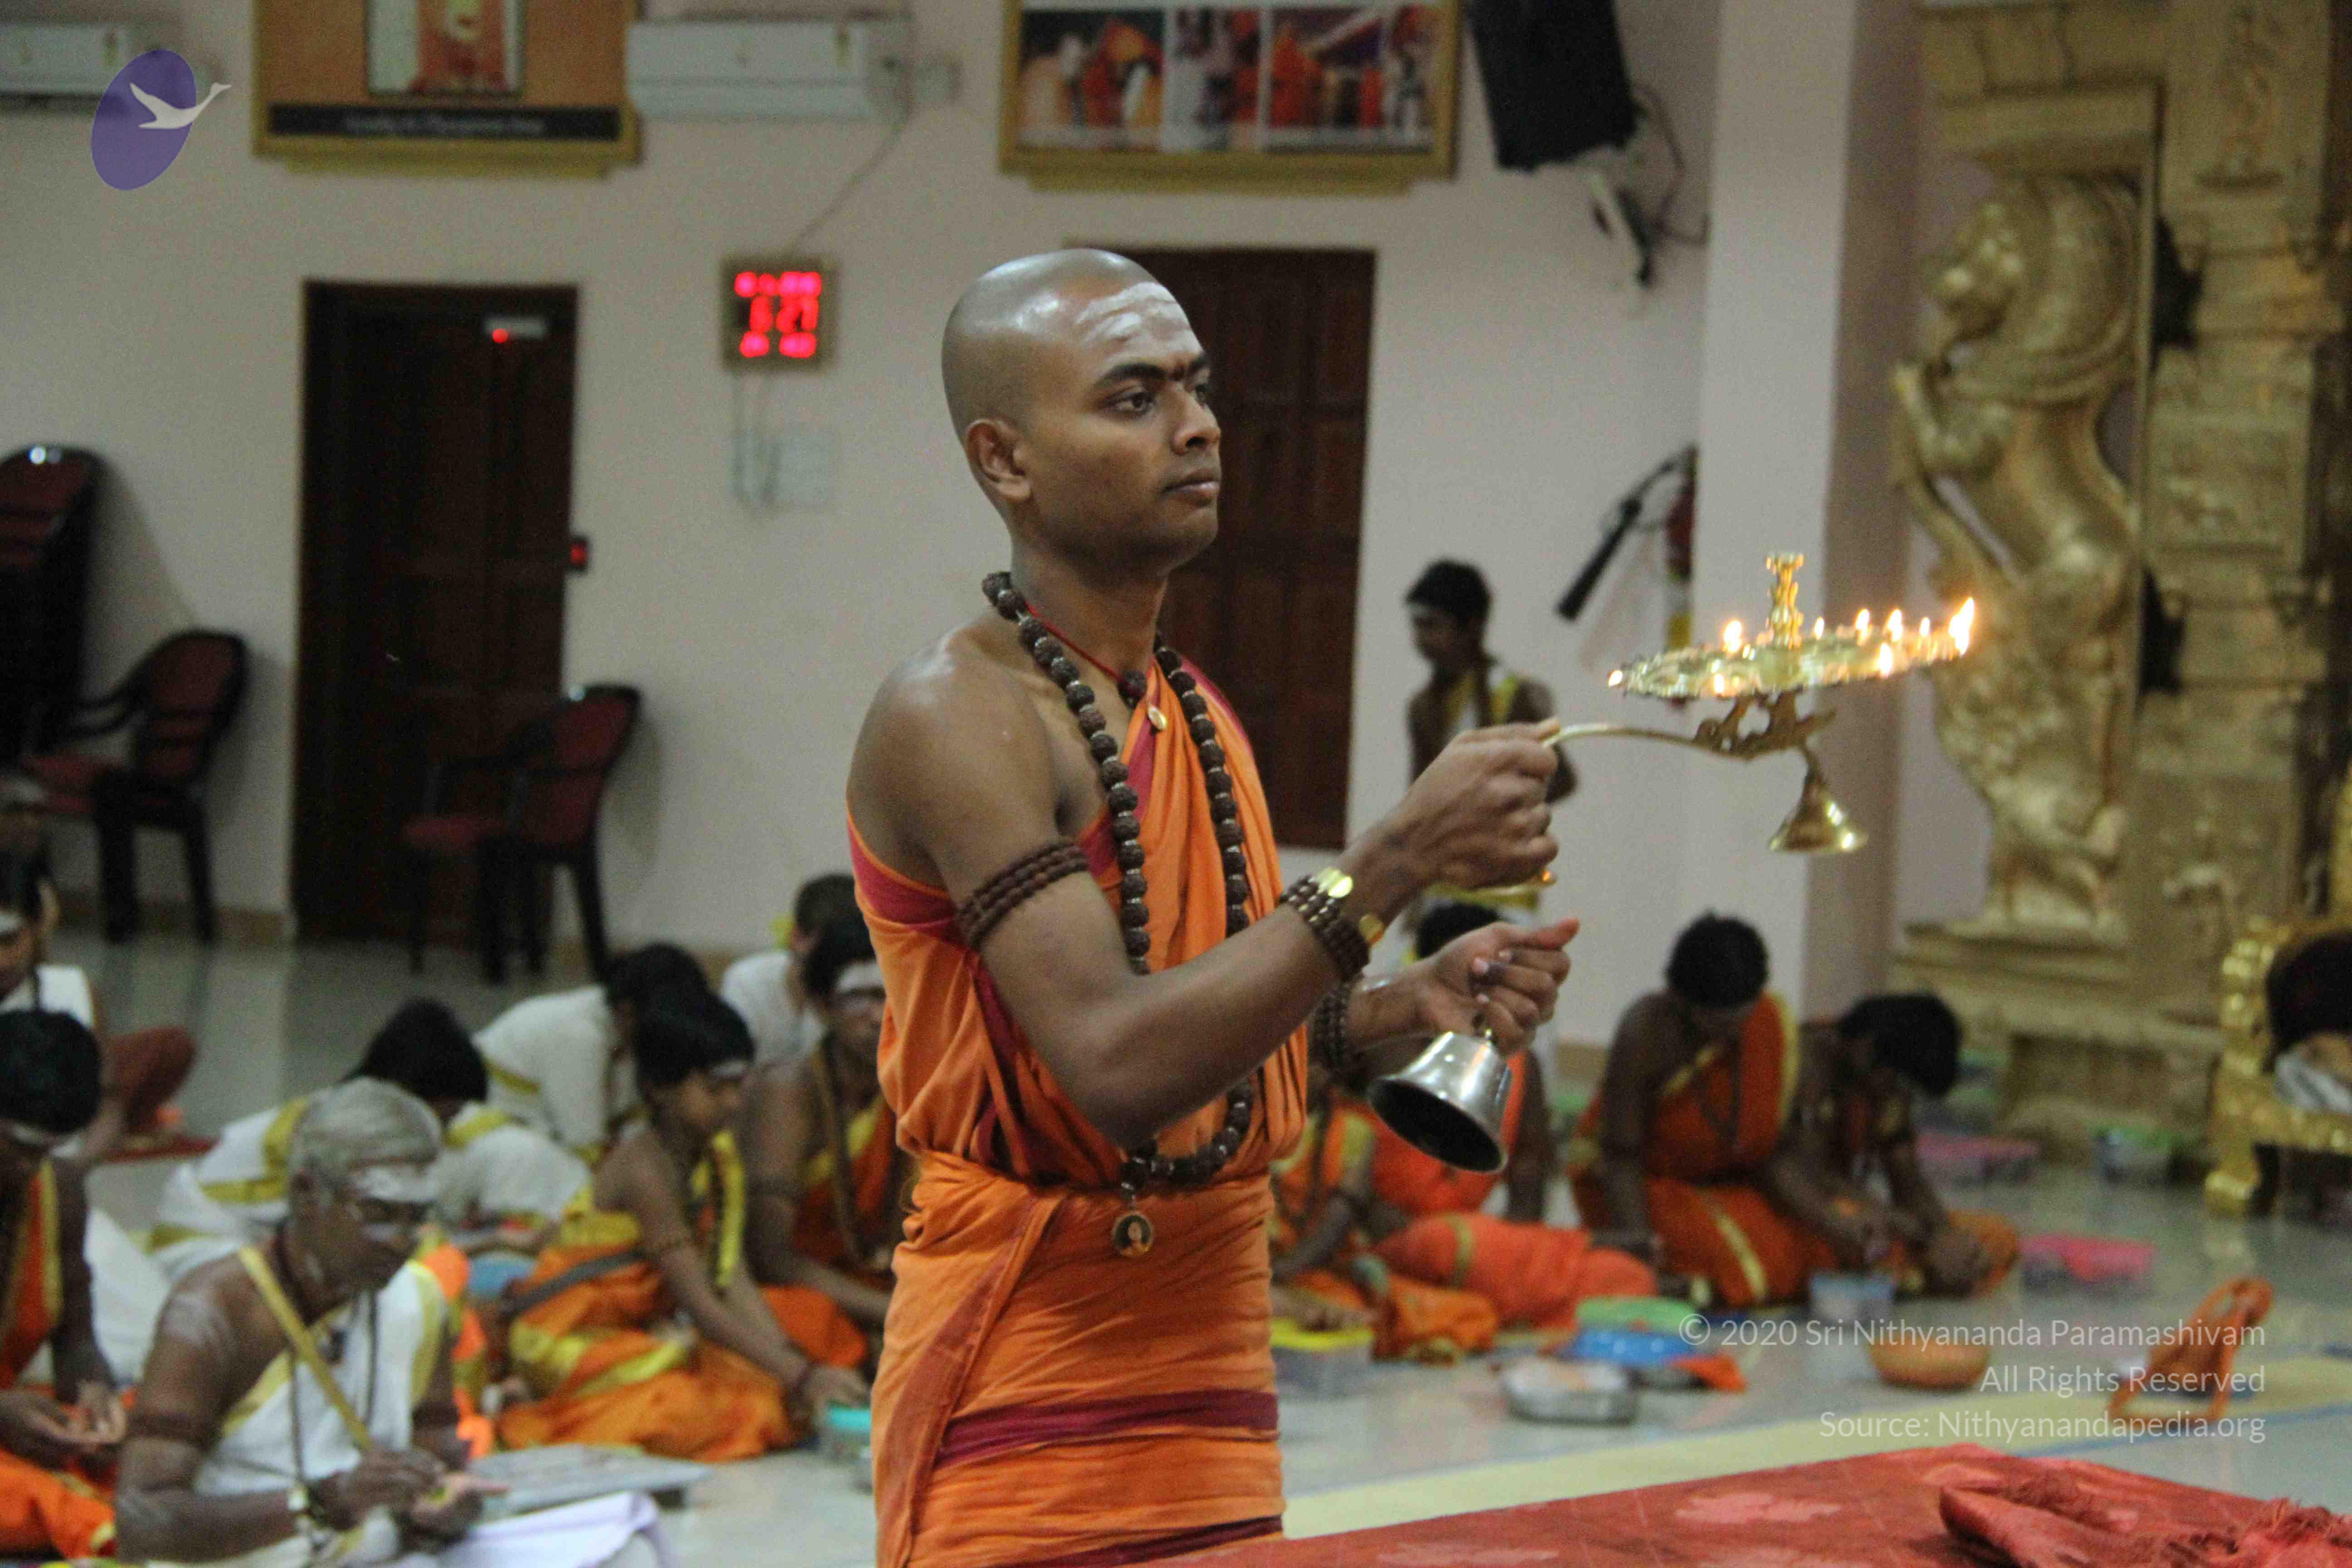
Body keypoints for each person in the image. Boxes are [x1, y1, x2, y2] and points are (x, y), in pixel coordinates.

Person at [845, 248, 1573, 1567]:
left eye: (1196, 387)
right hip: (1030, 1344)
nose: (1197, 426)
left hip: (1210, 1339)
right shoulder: (955, 714)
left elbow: (1209, 1035)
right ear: (1005, 460)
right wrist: (1393, 859)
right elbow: (1116, 1063)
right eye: (1133, 398)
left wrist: (1402, 1006)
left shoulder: (1192, 712)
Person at [114, 1081, 493, 1565]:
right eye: (379, 1212)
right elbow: (143, 1524)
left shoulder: (417, 1299)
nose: (402, 1241)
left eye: (416, 1216)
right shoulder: (215, 1310)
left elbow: (438, 1462)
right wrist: (321, 1503)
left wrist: (445, 1505)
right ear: (306, 1193)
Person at [1567, 914, 2016, 1308]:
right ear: (1681, 1001)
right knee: (1771, 1249)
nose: (1732, 1036)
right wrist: (1640, 1257)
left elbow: (1897, 1177)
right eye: (1718, 1024)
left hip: (1741, 1191)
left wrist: (1940, 1234)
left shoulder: (1765, 1030)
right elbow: (1621, 1156)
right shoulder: (1649, 1030)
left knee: (1989, 1239)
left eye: (1741, 1019)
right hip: (1646, 1188)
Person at [496, 989, 868, 1461]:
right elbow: (701, 1302)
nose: (734, 1102)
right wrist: (800, 1377)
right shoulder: (644, 1171)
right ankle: (535, 1406)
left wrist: (794, 1363)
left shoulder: (717, 1157)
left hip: (651, 1327)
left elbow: (730, 1278)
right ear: (659, 1089)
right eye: (716, 1089)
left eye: (740, 1085)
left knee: (811, 1326)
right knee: (697, 1412)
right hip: (570, 1336)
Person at [153, 1000, 587, 1282]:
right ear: (405, 1093)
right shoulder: (348, 1135)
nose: (444, 1132)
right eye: (445, 1116)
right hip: (205, 1252)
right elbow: (369, 1245)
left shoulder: (361, 1114)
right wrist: (499, 1242)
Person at [739, 914, 903, 1335]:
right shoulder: (790, 1091)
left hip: (883, 1283)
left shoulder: (912, 1084)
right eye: (861, 997)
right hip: (801, 1293)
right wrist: (895, 1315)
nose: (880, 1016)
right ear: (822, 1005)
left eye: (893, 994)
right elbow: (769, 1256)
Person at [0, 1010, 123, 1561]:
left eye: (49, 1150)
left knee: (159, 1438)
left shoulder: (58, 1191)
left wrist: (95, 1397)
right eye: (20, 1145)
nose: (31, 1168)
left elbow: (77, 1340)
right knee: (58, 1506)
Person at [0, 848, 197, 1164]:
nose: (1, 960)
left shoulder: (72, 988)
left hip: (58, 1158)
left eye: (9, 940)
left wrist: (74, 1169)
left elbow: (108, 1106)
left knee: (172, 1045)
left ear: (36, 928)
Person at [477, 944, 710, 1161]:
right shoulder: (578, 1035)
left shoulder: (621, 1026)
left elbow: (635, 1122)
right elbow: (586, 1147)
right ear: (628, 1010)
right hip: (497, 1135)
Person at [720, 873, 860, 1065]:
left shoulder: (856, 990)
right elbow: (732, 1069)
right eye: (829, 948)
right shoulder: (747, 981)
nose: (836, 961)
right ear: (797, 938)